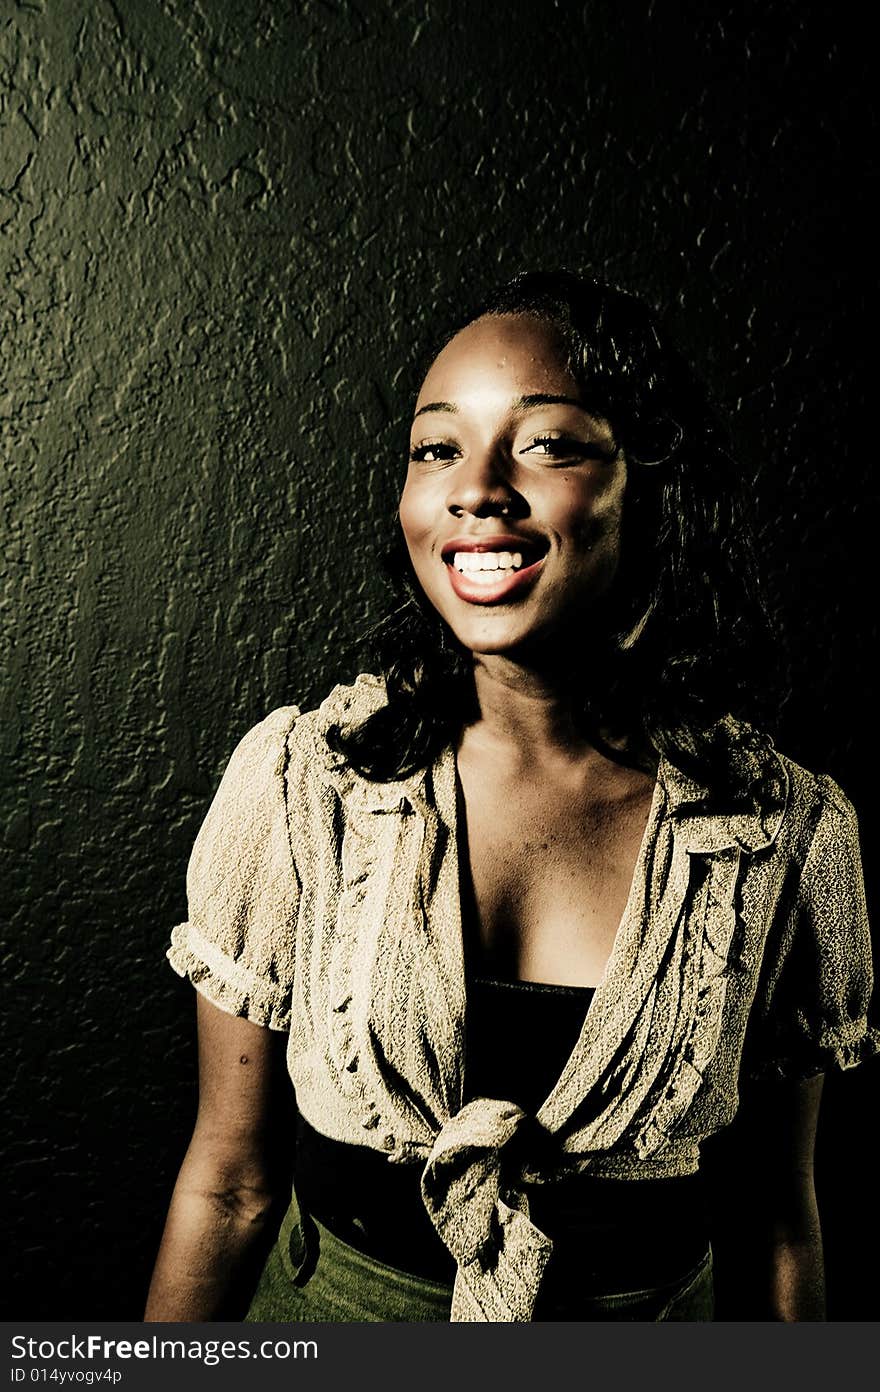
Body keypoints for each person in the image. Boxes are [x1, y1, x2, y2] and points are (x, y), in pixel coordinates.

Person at [145, 269, 878, 1323]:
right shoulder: (306, 790)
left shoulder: (783, 837)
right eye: (437, 448)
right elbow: (227, 1188)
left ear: (651, 489)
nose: (475, 486)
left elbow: (775, 1222)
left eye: (548, 444)